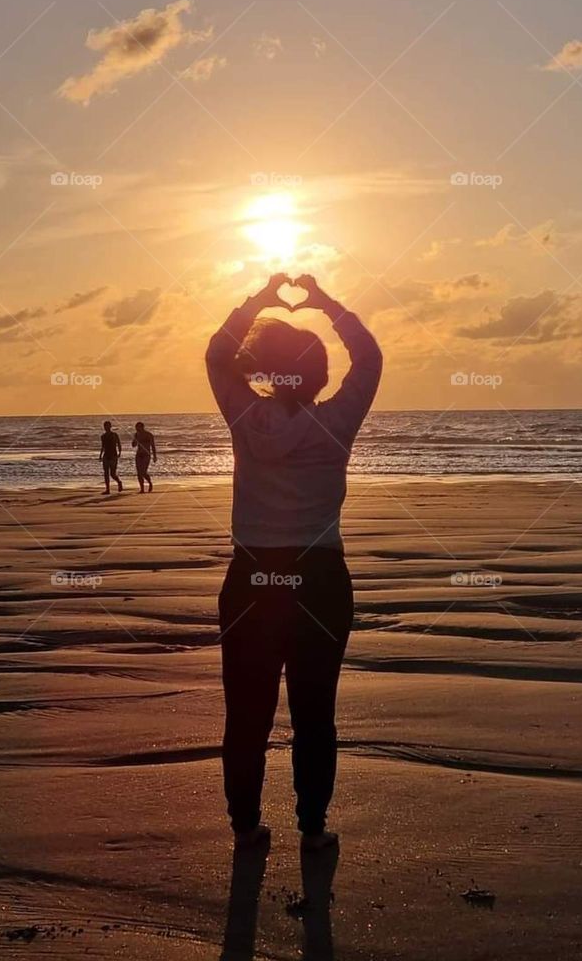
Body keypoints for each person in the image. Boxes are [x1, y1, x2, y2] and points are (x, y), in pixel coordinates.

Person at [206, 272, 382, 853]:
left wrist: (259, 299)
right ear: (319, 374)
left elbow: (216, 354)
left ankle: (245, 827)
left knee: (247, 715)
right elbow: (370, 357)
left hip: (252, 578)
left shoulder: (243, 418)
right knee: (315, 713)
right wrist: (325, 302)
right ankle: (311, 828)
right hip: (320, 581)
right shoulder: (337, 422)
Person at [132, 422, 157, 493]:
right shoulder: (136, 435)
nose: (137, 429)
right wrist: (135, 440)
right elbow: (133, 445)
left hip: (146, 455)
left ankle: (150, 483)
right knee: (139, 473)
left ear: (142, 427)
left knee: (143, 472)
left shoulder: (149, 435)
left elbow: (153, 446)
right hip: (139, 455)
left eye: (138, 427)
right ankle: (142, 488)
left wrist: (154, 456)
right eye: (136, 428)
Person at [98, 420, 123, 495]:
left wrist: (120, 452)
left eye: (108, 426)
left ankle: (119, 482)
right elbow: (103, 447)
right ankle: (107, 489)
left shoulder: (114, 435)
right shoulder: (103, 436)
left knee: (112, 473)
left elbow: (119, 444)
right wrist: (100, 455)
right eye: (105, 426)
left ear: (110, 426)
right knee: (106, 473)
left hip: (113, 456)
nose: (106, 428)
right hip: (106, 456)